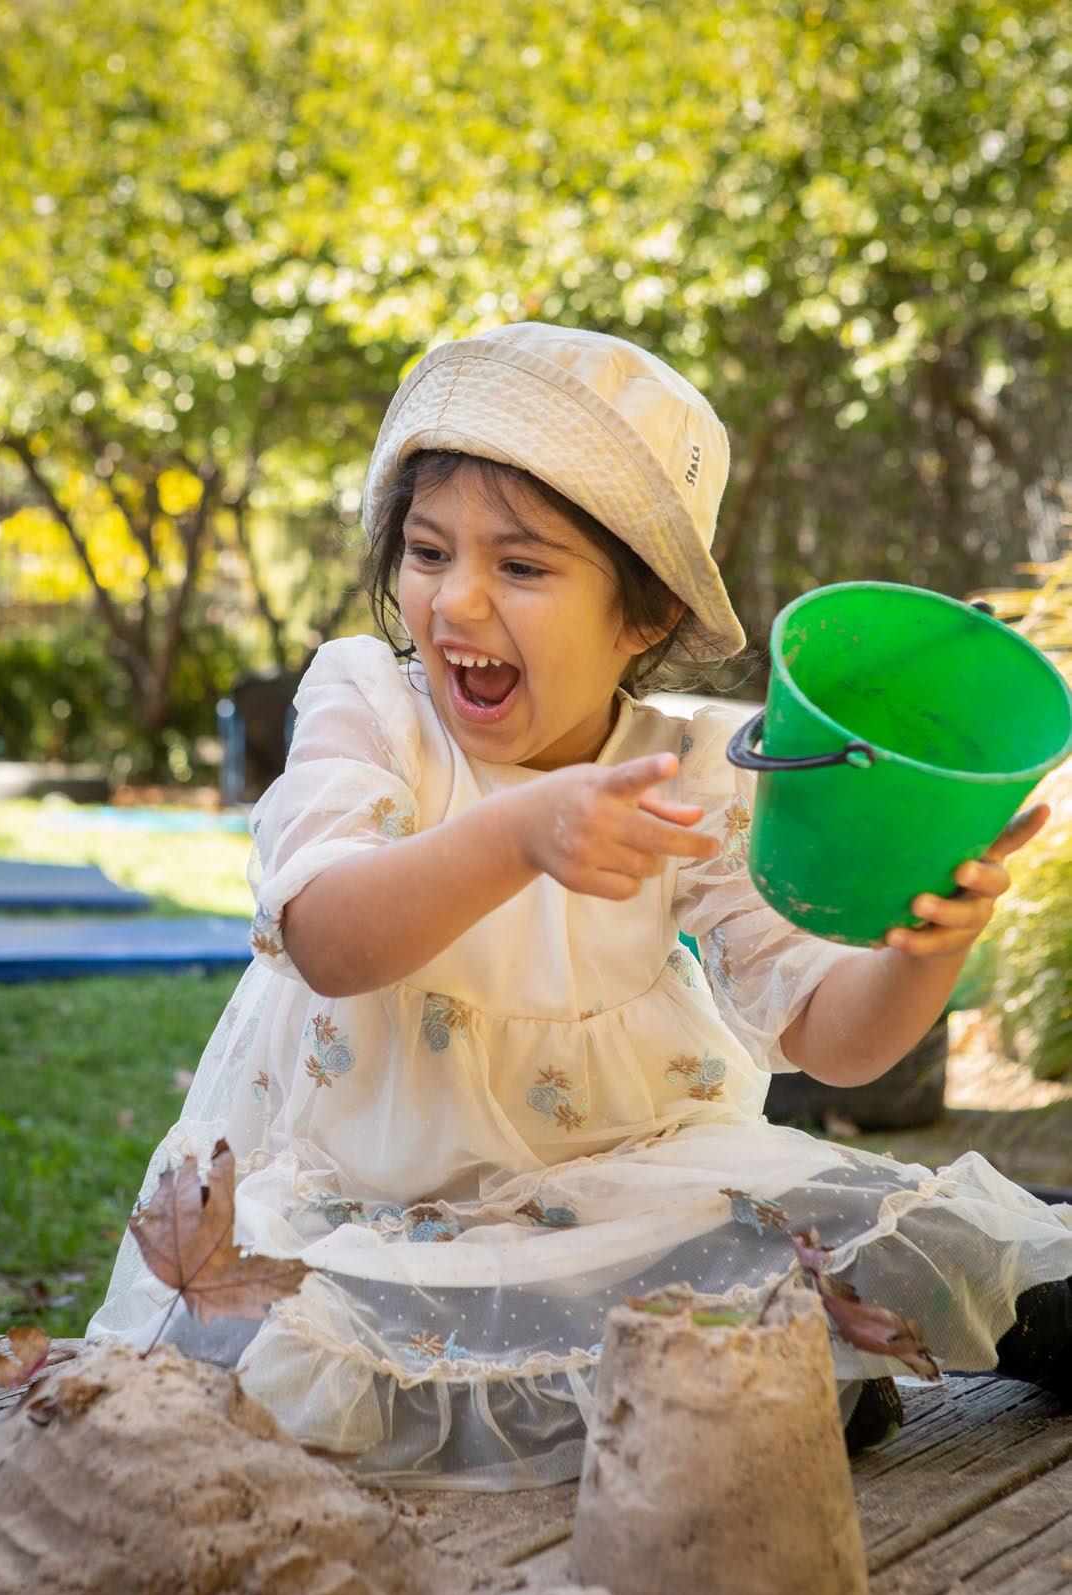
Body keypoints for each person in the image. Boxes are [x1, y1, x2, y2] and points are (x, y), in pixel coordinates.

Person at [88, 323, 1071, 1487]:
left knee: (913, 1229)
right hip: (381, 1209)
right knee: (335, 1347)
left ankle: (826, 1352)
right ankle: (757, 1377)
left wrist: (923, 947)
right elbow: (326, 938)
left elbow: (832, 1038)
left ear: (641, 616)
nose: (454, 600)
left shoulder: (690, 770)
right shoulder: (371, 708)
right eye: (426, 550)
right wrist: (518, 833)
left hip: (618, 1182)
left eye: (520, 566)